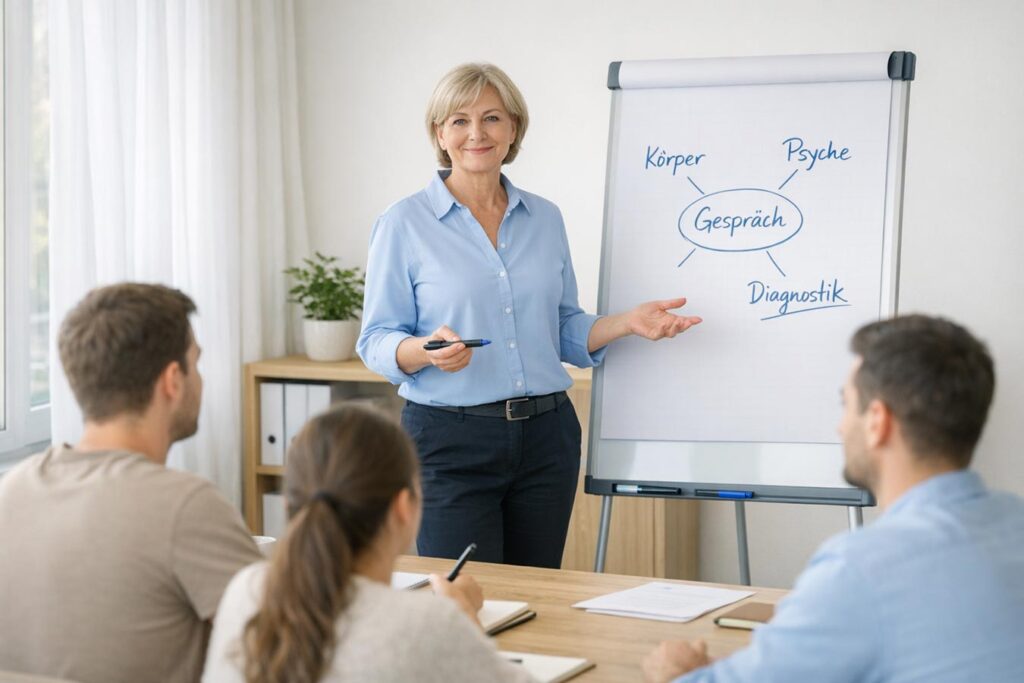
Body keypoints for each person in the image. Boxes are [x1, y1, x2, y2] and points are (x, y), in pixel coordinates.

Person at [357, 62, 702, 568]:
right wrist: (426, 353)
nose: (477, 133)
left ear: (513, 128)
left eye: (492, 118)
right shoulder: (403, 223)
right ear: (440, 134)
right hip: (451, 442)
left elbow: (561, 329)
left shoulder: (545, 218)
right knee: (467, 604)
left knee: (537, 599)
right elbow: (376, 339)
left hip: (546, 440)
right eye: (459, 120)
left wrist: (628, 322)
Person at [643, 314, 1024, 682]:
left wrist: (677, 671)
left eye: (846, 404)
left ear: (878, 422)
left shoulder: (861, 569)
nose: (840, 426)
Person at [0, 284, 262, 683]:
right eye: (197, 363)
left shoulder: (11, 492)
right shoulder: (185, 507)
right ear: (172, 380)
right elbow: (293, 648)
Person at [203, 403, 534, 683]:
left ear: (290, 505)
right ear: (404, 508)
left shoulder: (244, 591)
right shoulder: (427, 626)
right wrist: (463, 616)